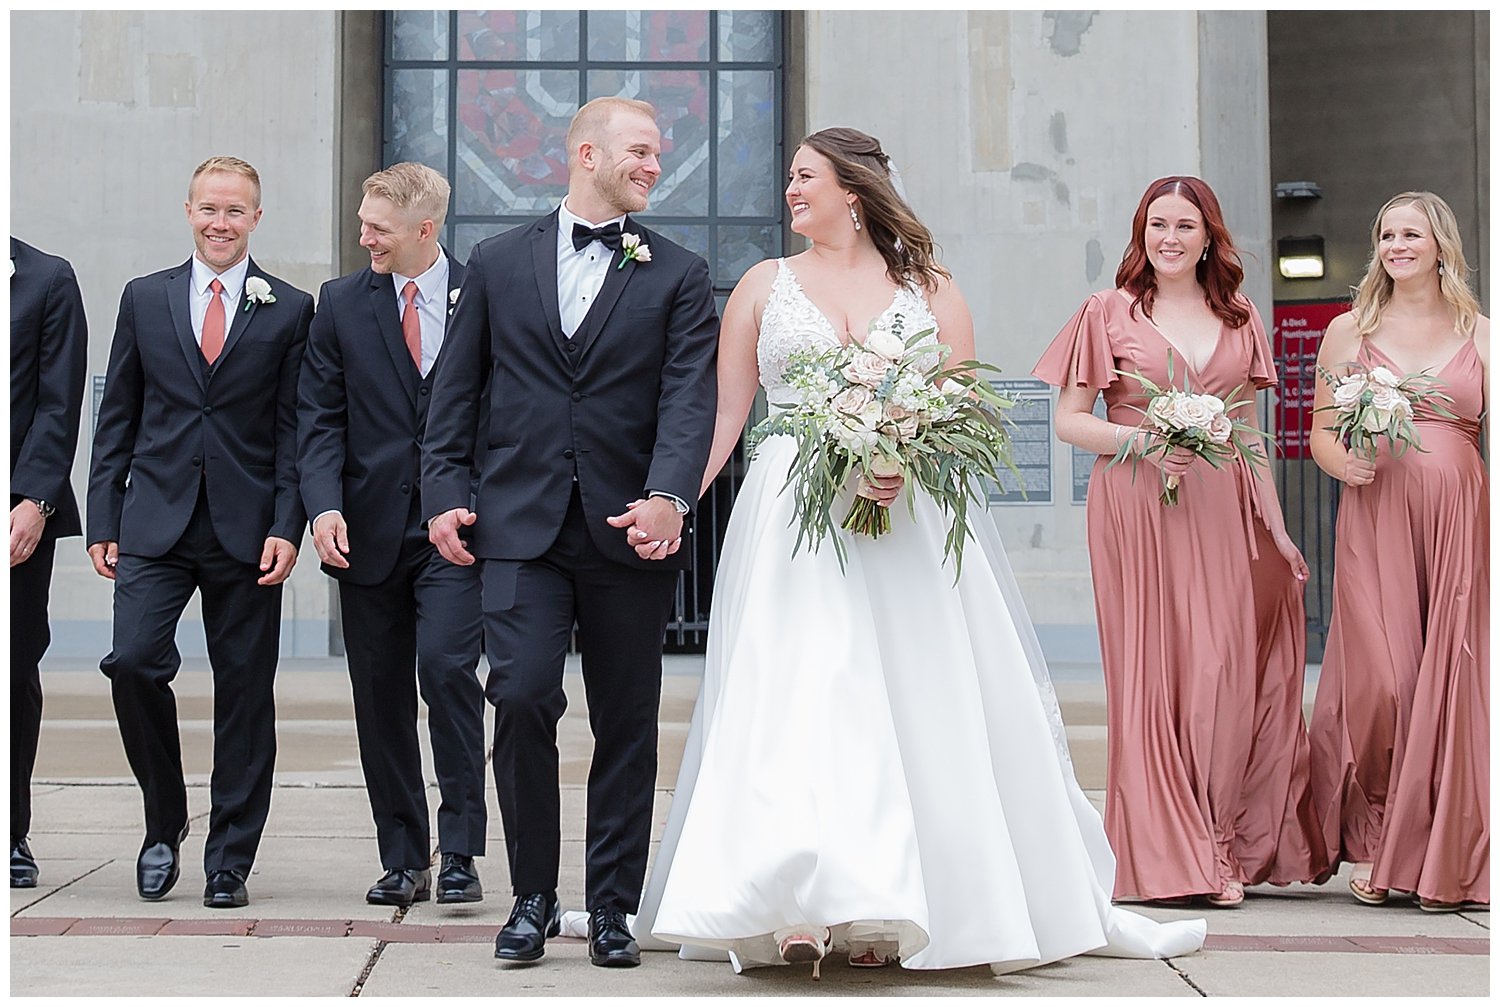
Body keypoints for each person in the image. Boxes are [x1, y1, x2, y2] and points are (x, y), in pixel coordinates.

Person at [623, 128, 1205, 977]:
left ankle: (881, 910)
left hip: (906, 517)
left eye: (804, 178)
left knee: (904, 701)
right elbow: (725, 417)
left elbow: (961, 414)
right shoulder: (760, 286)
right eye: (790, 178)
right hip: (791, 517)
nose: (789, 192)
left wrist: (898, 458)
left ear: (851, 193)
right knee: (795, 694)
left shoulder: (930, 290)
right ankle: (790, 899)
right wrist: (675, 501)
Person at [421, 96, 718, 968]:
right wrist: (443, 491)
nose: (654, 165)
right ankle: (532, 897)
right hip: (519, 527)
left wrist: (671, 494)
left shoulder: (679, 272)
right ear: (585, 152)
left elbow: (688, 396)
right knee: (516, 696)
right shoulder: (498, 261)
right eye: (640, 149)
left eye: (658, 153)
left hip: (629, 531)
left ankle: (614, 904)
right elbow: (456, 393)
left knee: (626, 718)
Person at [1033, 176, 1328, 906]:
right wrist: (1146, 440)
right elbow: (1070, 421)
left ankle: (1220, 837)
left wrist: (1279, 530)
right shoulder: (1108, 313)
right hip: (1136, 505)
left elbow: (1251, 434)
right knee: (1152, 678)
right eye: (1157, 224)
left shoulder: (1239, 315)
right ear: (1142, 235)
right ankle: (1176, 856)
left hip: (1224, 507)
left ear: (1208, 237)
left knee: (1221, 674)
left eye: (1185, 225)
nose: (1170, 237)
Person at [86, 156, 314, 909]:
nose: (221, 222)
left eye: (236, 210)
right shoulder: (144, 298)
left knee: (245, 692)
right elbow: (117, 410)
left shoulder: (289, 307)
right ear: (188, 210)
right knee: (132, 661)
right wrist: (102, 517)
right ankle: (163, 821)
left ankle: (231, 858)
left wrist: (289, 522)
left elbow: (293, 428)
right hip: (153, 518)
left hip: (248, 528)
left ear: (256, 218)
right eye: (209, 208)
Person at [297, 162, 487, 909]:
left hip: (455, 531)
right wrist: (321, 506)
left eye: (377, 226)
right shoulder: (341, 303)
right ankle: (404, 854)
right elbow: (318, 415)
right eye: (362, 220)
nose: (363, 236)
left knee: (447, 673)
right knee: (379, 697)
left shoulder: (486, 295)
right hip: (366, 530)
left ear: (425, 229)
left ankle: (463, 849)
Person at [1306, 191, 1489, 912]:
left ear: (1440, 245)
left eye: (1411, 233)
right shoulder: (1349, 330)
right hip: (1375, 514)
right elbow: (1320, 432)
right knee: (1384, 679)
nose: (1396, 244)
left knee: (1450, 684)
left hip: (1457, 518)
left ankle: (1430, 849)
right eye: (1386, 233)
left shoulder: (1482, 331)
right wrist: (1340, 463)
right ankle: (1381, 828)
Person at [10, 238, 89, 889]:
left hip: (14, 514)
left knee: (11, 671)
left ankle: (9, 831)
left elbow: (58, 403)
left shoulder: (45, 279)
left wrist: (35, 499)